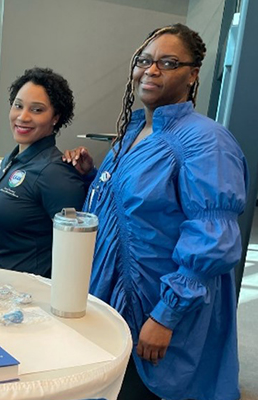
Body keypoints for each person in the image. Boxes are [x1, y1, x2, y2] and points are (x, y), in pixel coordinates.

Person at [63, 24, 247, 400]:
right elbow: (136, 206)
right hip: (116, 300)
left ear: (193, 74)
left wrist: (166, 315)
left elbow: (213, 239)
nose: (151, 70)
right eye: (144, 60)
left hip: (159, 310)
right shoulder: (135, 132)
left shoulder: (205, 141)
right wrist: (94, 177)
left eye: (168, 62)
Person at [0, 67, 86, 278]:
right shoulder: (12, 160)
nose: (23, 117)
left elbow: (75, 256)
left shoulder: (56, 173)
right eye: (18, 106)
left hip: (27, 291)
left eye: (37, 110)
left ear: (55, 117)